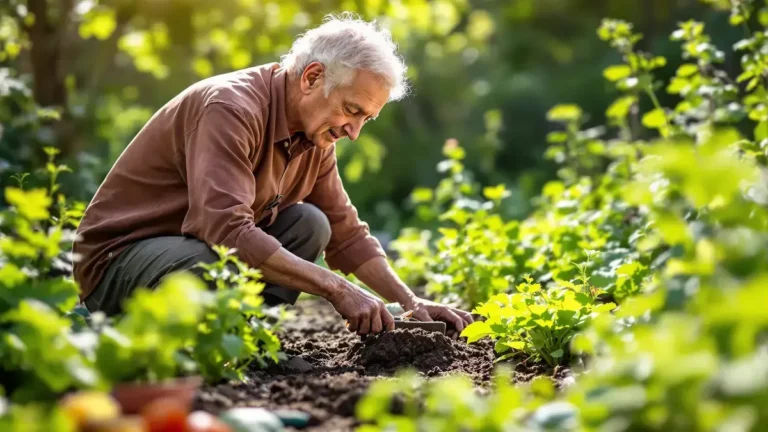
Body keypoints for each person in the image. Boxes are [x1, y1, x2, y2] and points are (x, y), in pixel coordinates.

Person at [72, 13, 473, 336]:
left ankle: (246, 338)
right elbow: (225, 231)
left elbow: (347, 233)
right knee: (208, 262)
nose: (354, 132)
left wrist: (410, 302)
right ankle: (175, 345)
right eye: (352, 111)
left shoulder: (317, 137)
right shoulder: (231, 109)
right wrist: (337, 289)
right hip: (117, 264)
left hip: (188, 249)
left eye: (366, 119)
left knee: (310, 223)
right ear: (312, 77)